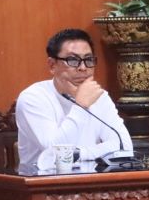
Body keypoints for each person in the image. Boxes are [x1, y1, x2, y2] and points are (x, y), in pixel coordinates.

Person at [16, 29, 132, 169]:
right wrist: (81, 106)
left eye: (88, 60)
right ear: (52, 65)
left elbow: (124, 146)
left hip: (90, 178)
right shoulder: (33, 98)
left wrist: (80, 154)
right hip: (41, 180)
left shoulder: (99, 96)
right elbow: (54, 152)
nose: (83, 68)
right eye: (72, 60)